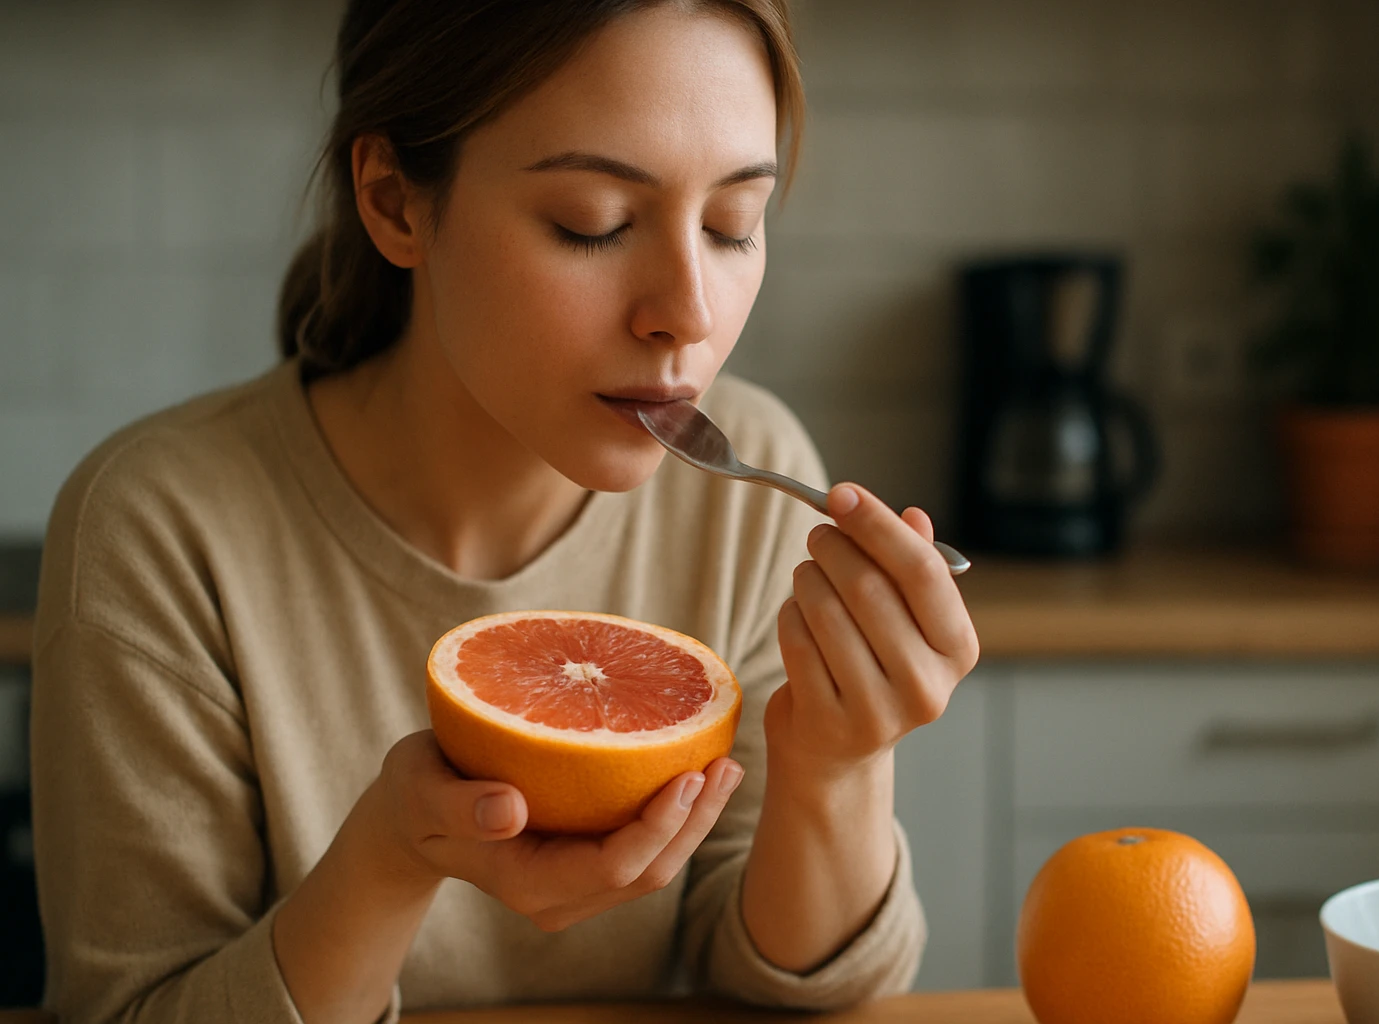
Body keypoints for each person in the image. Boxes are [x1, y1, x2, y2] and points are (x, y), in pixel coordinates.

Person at [29, 1, 980, 1022]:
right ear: (394, 202)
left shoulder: (751, 487)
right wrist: (391, 860)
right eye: (592, 222)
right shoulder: (158, 531)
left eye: (731, 225)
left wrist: (837, 766)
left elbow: (793, 984)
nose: (689, 314)